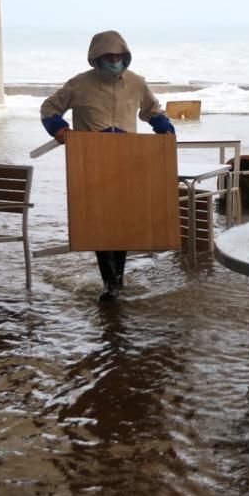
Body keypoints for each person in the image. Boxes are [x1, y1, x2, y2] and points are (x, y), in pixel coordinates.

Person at [40, 30, 176, 302]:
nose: (115, 60)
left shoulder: (136, 82)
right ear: (96, 58)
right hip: (91, 160)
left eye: (119, 56)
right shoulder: (79, 83)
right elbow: (49, 109)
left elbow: (152, 110)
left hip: (127, 158)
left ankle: (118, 280)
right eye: (109, 56)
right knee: (99, 222)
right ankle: (110, 283)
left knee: (121, 221)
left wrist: (164, 128)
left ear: (126, 56)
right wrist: (60, 130)